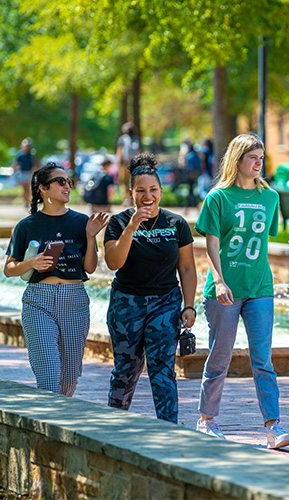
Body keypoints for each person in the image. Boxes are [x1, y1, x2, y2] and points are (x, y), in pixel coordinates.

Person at [194, 133, 289, 449]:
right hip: (224, 288)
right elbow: (210, 244)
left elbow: (265, 239)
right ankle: (206, 420)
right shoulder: (218, 198)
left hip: (259, 286)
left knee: (262, 359)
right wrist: (220, 280)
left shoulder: (271, 198)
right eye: (253, 158)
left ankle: (273, 427)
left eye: (261, 158)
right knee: (220, 355)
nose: (258, 163)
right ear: (237, 160)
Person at [103, 153, 197, 423]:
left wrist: (188, 305)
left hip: (165, 303)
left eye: (153, 190)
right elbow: (113, 262)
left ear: (161, 191)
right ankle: (113, 424)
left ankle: (169, 429)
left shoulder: (175, 223)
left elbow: (188, 269)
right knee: (126, 368)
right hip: (126, 304)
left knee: (163, 368)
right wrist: (132, 226)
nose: (148, 196)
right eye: (141, 190)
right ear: (131, 192)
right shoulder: (119, 223)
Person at [3, 163, 109, 396]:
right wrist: (30, 263)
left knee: (70, 378)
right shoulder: (26, 226)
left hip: (75, 301)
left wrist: (92, 237)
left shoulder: (82, 222)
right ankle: (45, 427)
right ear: (43, 188)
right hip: (38, 301)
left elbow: (89, 268)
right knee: (49, 377)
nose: (67, 186)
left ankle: (56, 427)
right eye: (60, 182)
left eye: (68, 181)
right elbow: (9, 268)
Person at [116, 122, 141, 206]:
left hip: (124, 163)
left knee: (122, 182)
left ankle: (125, 199)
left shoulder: (122, 139)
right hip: (134, 164)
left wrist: (118, 163)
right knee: (133, 182)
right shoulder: (137, 139)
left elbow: (120, 151)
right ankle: (133, 199)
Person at [11, 139, 41, 205]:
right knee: (24, 188)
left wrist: (35, 169)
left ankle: (27, 200)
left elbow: (36, 163)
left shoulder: (32, 155)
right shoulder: (20, 155)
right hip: (22, 172)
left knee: (27, 187)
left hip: (29, 172)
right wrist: (12, 172)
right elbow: (16, 164)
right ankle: (25, 200)